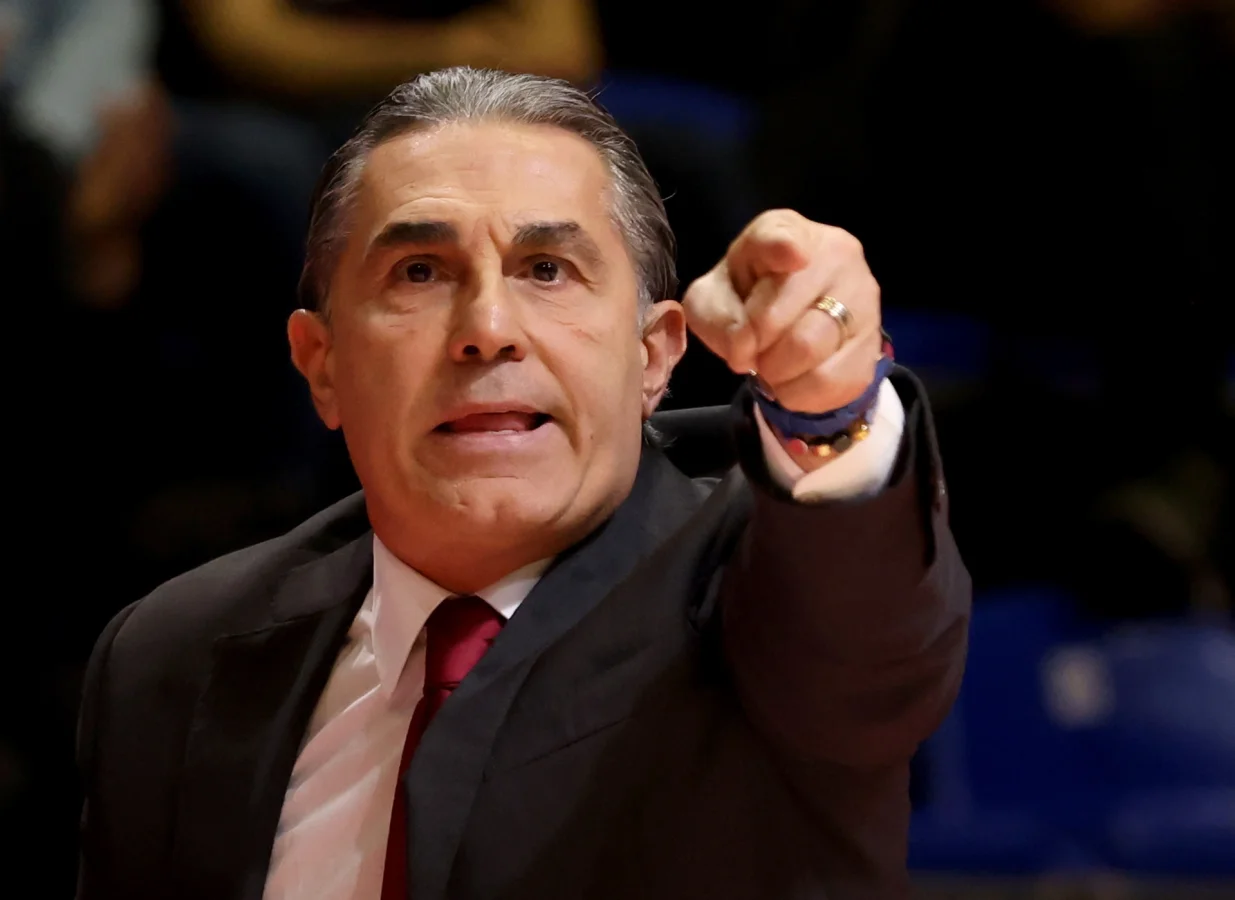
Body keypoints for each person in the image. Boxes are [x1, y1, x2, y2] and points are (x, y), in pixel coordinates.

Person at [75, 67, 970, 900]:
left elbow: (863, 617)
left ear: (655, 354)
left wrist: (826, 408)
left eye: (548, 270)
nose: (488, 328)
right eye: (419, 273)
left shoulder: (763, 604)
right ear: (323, 366)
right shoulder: (172, 661)